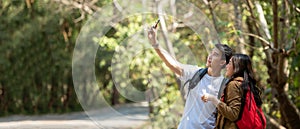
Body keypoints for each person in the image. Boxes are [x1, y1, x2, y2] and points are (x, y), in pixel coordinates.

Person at [147, 23, 233, 129]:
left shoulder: (225, 86)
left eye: (215, 54)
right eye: (211, 52)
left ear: (222, 62)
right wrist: (155, 43)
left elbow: (230, 114)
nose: (210, 56)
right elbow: (173, 64)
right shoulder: (195, 73)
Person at [201, 54, 264, 129]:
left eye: (230, 63)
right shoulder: (246, 85)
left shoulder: (233, 84)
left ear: (237, 66)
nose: (226, 66)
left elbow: (233, 114)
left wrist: (213, 99)